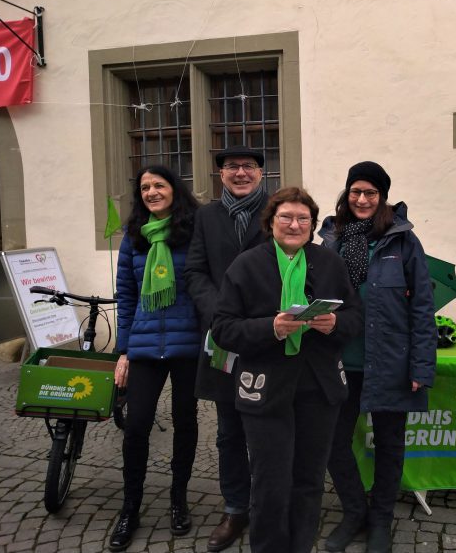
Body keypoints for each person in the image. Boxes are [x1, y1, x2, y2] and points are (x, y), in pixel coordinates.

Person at [211, 187, 363, 553]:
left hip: (318, 387)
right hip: (265, 388)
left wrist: (334, 324)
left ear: (312, 224)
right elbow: (223, 328)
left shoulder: (329, 262)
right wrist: (270, 328)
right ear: (271, 222)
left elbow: (357, 318)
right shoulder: (247, 264)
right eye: (286, 217)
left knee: (309, 481)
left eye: (303, 219)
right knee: (270, 483)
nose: (294, 225)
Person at [319, 161, 437, 553]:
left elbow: (422, 306)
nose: (362, 199)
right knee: (334, 442)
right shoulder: (331, 239)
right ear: (346, 194)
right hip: (340, 361)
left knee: (390, 443)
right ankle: (354, 512)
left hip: (390, 360)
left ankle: (381, 519)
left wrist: (421, 364)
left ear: (382, 197)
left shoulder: (403, 241)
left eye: (371, 193)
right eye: (356, 191)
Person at [110, 166, 200, 552]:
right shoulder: (134, 237)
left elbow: (205, 286)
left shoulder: (193, 233)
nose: (151, 192)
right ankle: (130, 507)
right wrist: (124, 351)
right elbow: (126, 297)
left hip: (188, 344)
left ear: (173, 189)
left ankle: (178, 498)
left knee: (185, 421)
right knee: (137, 425)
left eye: (158, 185)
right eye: (144, 187)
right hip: (145, 346)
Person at [184, 145, 267, 552]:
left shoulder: (278, 209)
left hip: (269, 334)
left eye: (248, 166)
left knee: (270, 428)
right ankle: (235, 509)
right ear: (220, 175)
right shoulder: (207, 217)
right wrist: (219, 311)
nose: (240, 172)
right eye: (231, 167)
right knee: (229, 431)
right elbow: (196, 270)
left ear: (261, 173)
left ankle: (268, 503)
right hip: (221, 337)